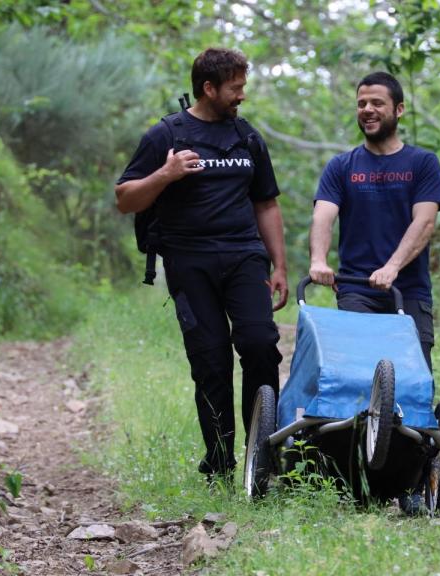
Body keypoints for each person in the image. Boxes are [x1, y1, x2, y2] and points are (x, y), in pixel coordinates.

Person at [115, 47, 287, 484]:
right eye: (235, 87)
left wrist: (280, 266)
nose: (241, 95)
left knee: (260, 344)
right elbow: (125, 198)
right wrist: (165, 175)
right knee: (210, 361)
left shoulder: (247, 137)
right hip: (189, 262)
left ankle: (261, 457)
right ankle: (219, 463)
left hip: (245, 256)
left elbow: (265, 203)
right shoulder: (166, 136)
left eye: (242, 86)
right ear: (208, 88)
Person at [309, 71, 440, 372]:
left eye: (376, 103)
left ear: (398, 109)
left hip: (409, 290)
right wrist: (319, 260)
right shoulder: (341, 166)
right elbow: (323, 214)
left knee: (415, 380)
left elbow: (424, 223)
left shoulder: (423, 163)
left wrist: (392, 268)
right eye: (361, 104)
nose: (367, 110)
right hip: (356, 289)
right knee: (360, 374)